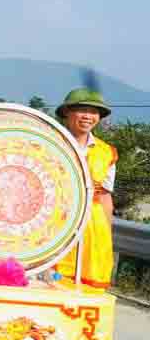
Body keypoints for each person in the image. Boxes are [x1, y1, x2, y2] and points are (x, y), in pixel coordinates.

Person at [54, 88, 118, 289]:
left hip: (92, 226)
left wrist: (105, 235)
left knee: (87, 289)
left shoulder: (106, 152)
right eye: (83, 110)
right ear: (67, 112)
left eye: (94, 112)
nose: (88, 116)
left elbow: (105, 197)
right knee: (53, 284)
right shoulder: (51, 143)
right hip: (55, 222)